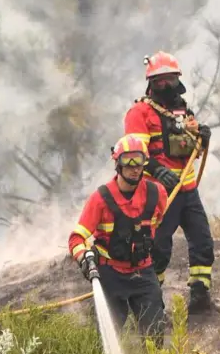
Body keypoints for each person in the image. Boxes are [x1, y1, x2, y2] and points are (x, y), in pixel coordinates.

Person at [123, 51, 216, 314]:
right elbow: (133, 154)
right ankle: (151, 307)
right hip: (158, 194)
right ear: (151, 83)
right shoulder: (140, 113)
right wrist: (156, 169)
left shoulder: (183, 111)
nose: (166, 85)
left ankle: (200, 298)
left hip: (188, 192)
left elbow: (193, 150)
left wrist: (202, 138)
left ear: (178, 79)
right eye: (160, 80)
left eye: (170, 79)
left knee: (203, 242)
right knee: (158, 250)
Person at [69, 134, 169, 342]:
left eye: (138, 162)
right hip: (111, 275)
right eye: (128, 161)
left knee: (155, 335)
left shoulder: (157, 193)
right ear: (118, 164)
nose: (134, 168)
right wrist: (84, 257)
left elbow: (157, 223)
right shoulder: (101, 199)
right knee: (105, 338)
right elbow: (76, 238)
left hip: (143, 272)